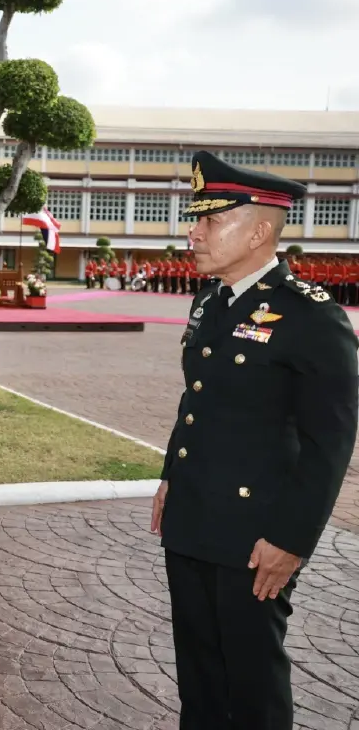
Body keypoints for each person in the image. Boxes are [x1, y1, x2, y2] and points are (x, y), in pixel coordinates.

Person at [151, 150, 358, 729]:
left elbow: (331, 441)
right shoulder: (209, 300)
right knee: (198, 673)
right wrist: (172, 476)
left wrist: (292, 539)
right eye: (197, 219)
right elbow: (197, 400)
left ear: (260, 230)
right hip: (193, 517)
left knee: (252, 678)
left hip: (254, 535)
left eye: (211, 220)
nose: (194, 232)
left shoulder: (311, 317)